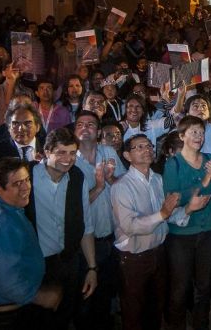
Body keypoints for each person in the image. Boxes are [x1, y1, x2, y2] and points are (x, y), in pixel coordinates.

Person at [111, 134, 209, 330]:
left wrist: (189, 208)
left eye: (148, 146)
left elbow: (169, 215)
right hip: (134, 258)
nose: (147, 149)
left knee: (156, 307)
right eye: (139, 147)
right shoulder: (122, 186)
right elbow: (130, 226)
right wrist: (162, 214)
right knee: (134, 311)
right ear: (127, 156)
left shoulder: (158, 179)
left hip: (159, 253)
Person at [0, 158, 62, 329]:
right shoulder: (2, 223)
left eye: (27, 180)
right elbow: (8, 282)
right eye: (17, 183)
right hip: (1, 317)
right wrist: (43, 297)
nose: (26, 187)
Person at [26, 128, 97, 329]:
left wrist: (92, 268)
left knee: (64, 315)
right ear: (47, 152)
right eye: (61, 152)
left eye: (72, 153)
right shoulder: (27, 176)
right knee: (36, 319)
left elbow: (86, 224)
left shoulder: (77, 177)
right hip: (36, 264)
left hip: (68, 262)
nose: (68, 159)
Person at [162, 115, 211, 330]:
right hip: (182, 235)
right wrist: (204, 181)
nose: (199, 136)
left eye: (201, 132)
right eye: (193, 132)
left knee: (204, 286)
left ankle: (201, 324)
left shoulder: (210, 160)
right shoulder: (173, 163)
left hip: (209, 231)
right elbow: (173, 197)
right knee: (180, 288)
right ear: (182, 136)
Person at [72, 111, 127, 329]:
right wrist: (99, 187)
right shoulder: (69, 159)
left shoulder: (108, 151)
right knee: (84, 296)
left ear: (98, 131)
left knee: (106, 292)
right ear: (75, 130)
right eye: (80, 124)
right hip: (83, 241)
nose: (85, 128)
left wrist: (112, 178)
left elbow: (124, 187)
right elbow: (72, 208)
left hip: (110, 236)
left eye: (91, 124)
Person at [0, 103, 43, 184]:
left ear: (38, 127)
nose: (21, 128)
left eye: (27, 123)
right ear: (8, 128)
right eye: (15, 124)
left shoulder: (49, 149)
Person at [0, 63, 34, 135]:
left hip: (25, 135)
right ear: (3, 72)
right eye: (9, 66)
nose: (14, 69)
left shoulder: (28, 92)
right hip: (3, 136)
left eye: (16, 67)